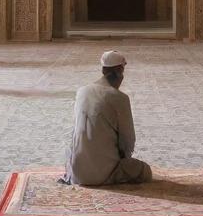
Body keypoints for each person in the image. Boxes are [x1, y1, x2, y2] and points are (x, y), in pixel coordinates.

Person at [62, 50, 152, 186]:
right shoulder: (120, 98)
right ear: (120, 71)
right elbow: (127, 141)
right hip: (103, 174)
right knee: (144, 171)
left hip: (76, 172)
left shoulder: (82, 91)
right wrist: (123, 160)